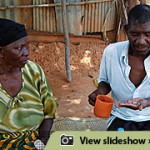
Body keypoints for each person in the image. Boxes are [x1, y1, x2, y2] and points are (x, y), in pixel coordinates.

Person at [88, 4, 150, 131]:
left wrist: (147, 101)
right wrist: (99, 93)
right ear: (126, 30)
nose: (141, 41)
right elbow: (105, 81)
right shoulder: (111, 52)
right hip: (121, 117)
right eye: (135, 34)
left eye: (148, 34)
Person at [0, 18, 57, 149]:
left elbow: (50, 110)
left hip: (36, 140)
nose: (26, 53)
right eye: (19, 48)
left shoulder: (33, 71)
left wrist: (43, 141)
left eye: (27, 46)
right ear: (1, 52)